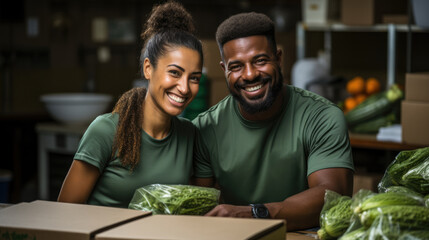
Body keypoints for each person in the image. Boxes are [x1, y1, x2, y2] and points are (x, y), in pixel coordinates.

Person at [192, 12, 354, 231]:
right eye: (236, 66)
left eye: (260, 61)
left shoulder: (322, 117)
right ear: (225, 70)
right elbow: (203, 208)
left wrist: (254, 214)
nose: (249, 75)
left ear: (278, 59)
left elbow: (333, 196)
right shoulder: (205, 128)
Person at [57, 1, 204, 208]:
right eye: (174, 73)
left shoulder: (189, 135)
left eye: (194, 78)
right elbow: (65, 211)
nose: (185, 88)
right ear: (148, 69)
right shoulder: (106, 131)